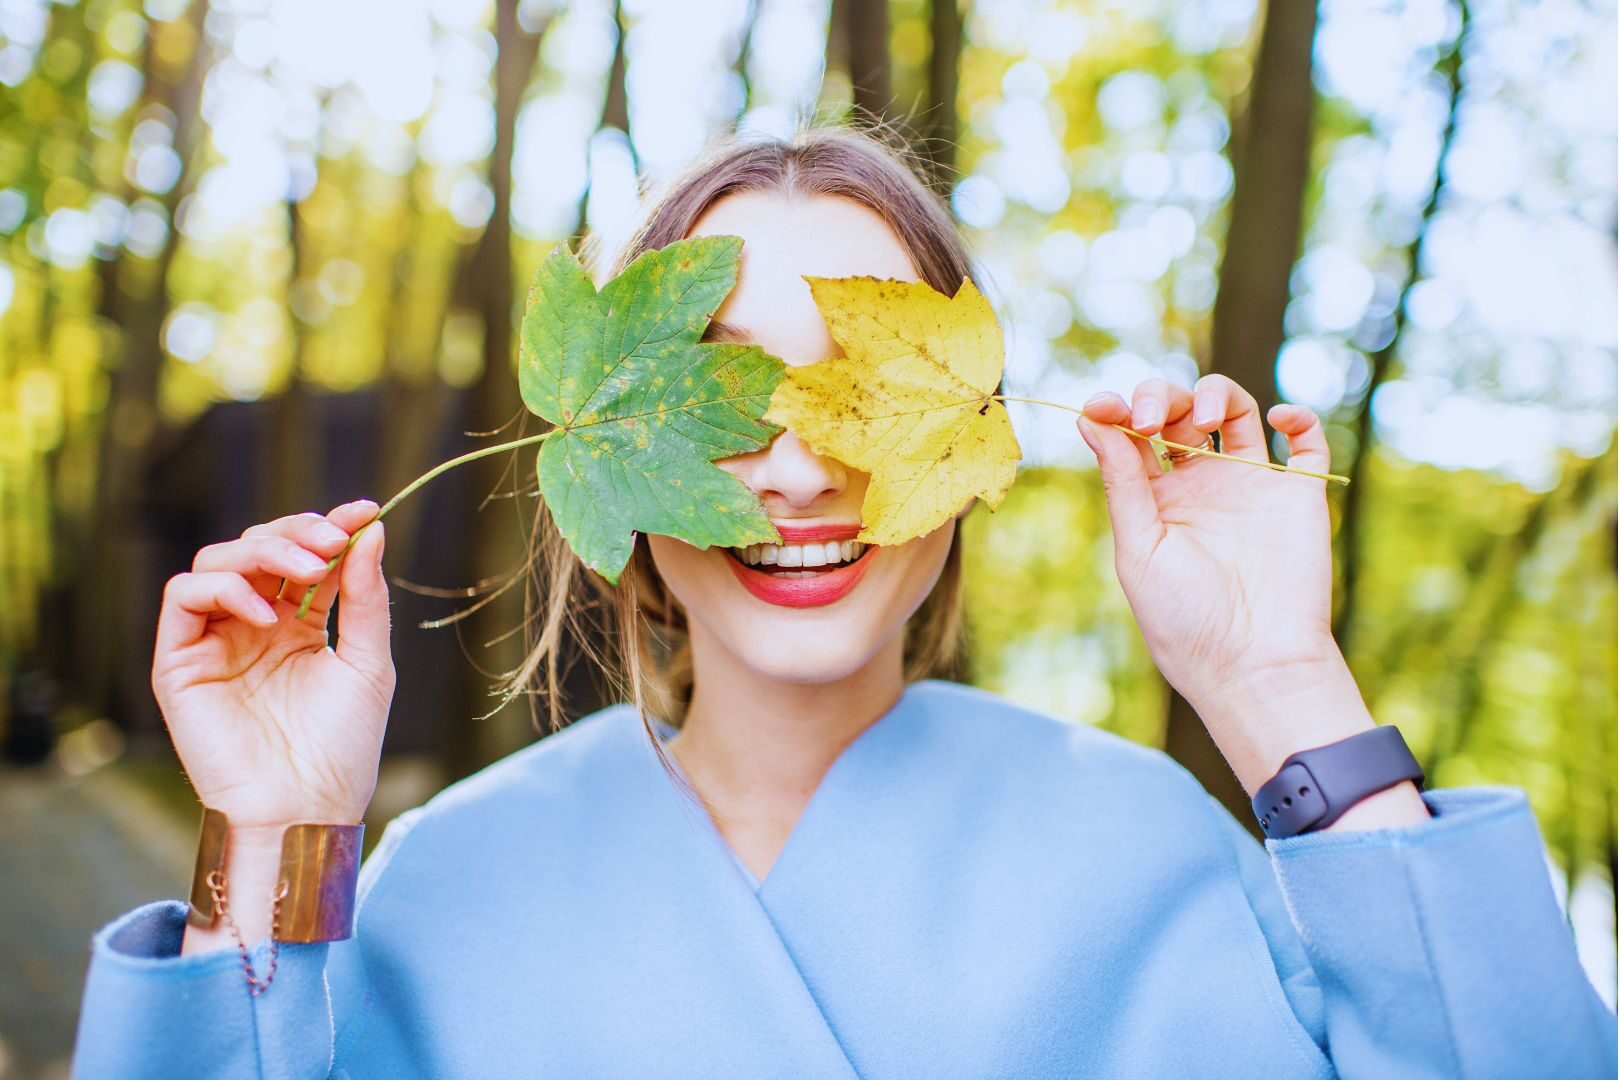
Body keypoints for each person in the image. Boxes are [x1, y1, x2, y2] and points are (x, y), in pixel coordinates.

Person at [72, 125, 1615, 1079]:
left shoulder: (1153, 844)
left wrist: (1281, 682)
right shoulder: (445, 880)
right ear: (605, 443)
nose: (804, 466)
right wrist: (270, 837)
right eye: (726, 394)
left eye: (866, 392)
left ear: (966, 433)